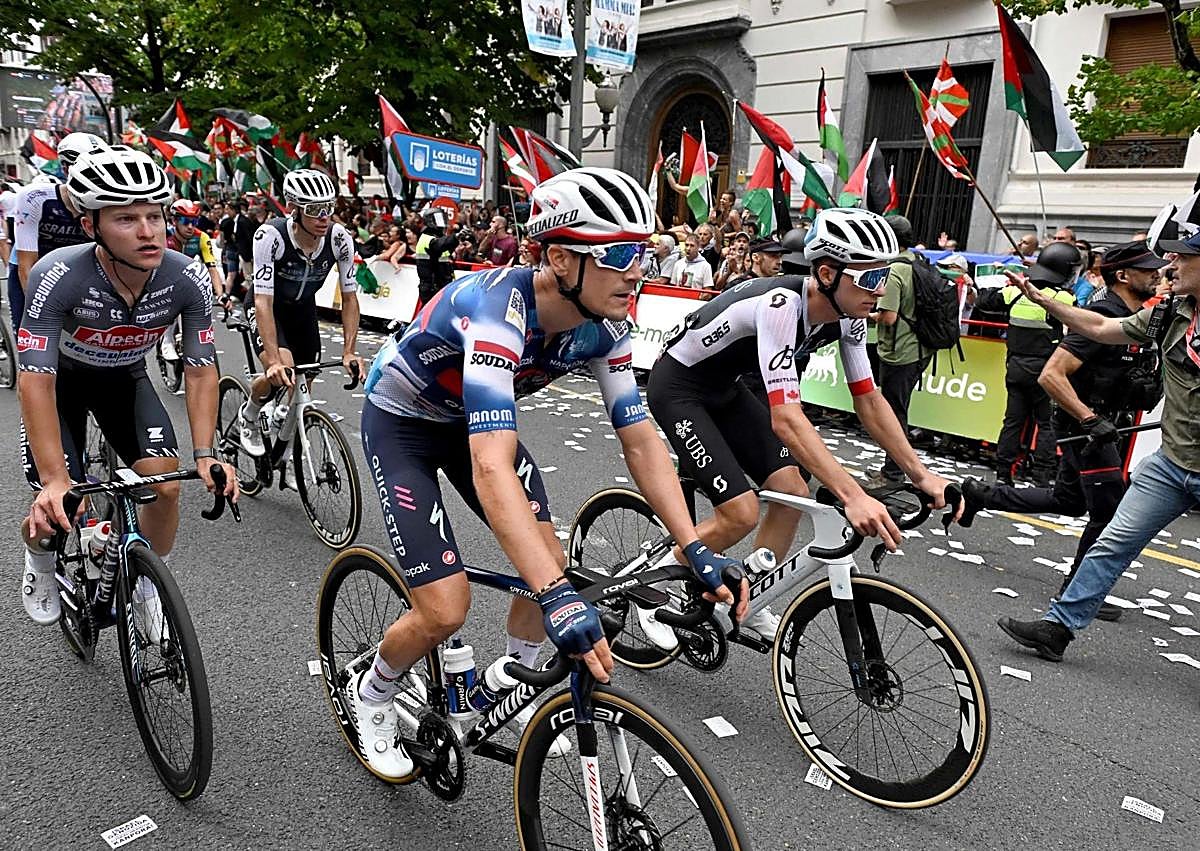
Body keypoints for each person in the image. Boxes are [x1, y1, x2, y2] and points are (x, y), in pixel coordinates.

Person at [350, 167, 747, 778]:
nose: (638, 269)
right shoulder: (496, 311)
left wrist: (693, 547)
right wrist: (559, 599)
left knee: (548, 560)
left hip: (469, 424)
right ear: (561, 259)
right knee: (445, 609)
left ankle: (512, 676)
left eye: (643, 252)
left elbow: (640, 439)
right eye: (619, 255)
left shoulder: (610, 324)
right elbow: (490, 466)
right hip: (403, 422)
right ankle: (373, 690)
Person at [644, 207, 961, 645]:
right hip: (678, 388)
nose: (881, 290)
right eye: (870, 279)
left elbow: (868, 399)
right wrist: (854, 496)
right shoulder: (782, 305)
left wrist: (922, 475)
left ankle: (750, 599)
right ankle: (650, 590)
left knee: (793, 491)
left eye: (885, 276)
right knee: (740, 512)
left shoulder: (848, 315)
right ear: (828, 273)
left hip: (725, 389)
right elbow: (787, 419)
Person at [17, 146, 237, 629]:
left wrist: (207, 452)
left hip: (124, 380)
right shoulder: (58, 276)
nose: (147, 232)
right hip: (63, 386)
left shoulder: (187, 278)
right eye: (126, 219)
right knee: (61, 506)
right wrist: (55, 479)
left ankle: (141, 583)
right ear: (91, 226)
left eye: (155, 217)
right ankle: (41, 561)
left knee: (166, 488)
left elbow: (201, 369)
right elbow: (34, 378)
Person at [995, 229, 1200, 665]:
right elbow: (1102, 327)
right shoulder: (1169, 315)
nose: (1170, 267)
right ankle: (1058, 629)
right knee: (1111, 542)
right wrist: (1046, 300)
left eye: (1182, 259)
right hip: (1171, 464)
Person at [962, 241, 1166, 623]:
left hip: (1106, 425)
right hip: (1086, 428)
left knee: (1068, 501)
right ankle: (1078, 590)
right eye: (1147, 268)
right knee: (1108, 511)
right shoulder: (1103, 315)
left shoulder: (1133, 316)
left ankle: (981, 494)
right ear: (1123, 276)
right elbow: (1051, 375)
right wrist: (1090, 420)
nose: (1157, 273)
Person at [235, 170, 365, 484]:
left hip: (302, 308)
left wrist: (349, 351)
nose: (324, 217)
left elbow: (349, 299)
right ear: (295, 208)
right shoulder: (271, 236)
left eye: (329, 208)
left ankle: (289, 451)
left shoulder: (338, 238)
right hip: (268, 305)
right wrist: (274, 359)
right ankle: (249, 414)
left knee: (308, 378)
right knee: (284, 369)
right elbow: (264, 302)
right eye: (314, 210)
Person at [976, 242, 1080, 486]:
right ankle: (1042, 477)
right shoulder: (1063, 297)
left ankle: (1003, 474)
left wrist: (1022, 279)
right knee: (1046, 424)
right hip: (1047, 372)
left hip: (1015, 368)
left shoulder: (1016, 292)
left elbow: (985, 300)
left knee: (1012, 421)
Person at [9, 132, 107, 329]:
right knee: (31, 335)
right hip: (34, 266)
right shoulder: (34, 197)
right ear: (65, 167)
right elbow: (26, 266)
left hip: (76, 269)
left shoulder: (104, 204)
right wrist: (41, 315)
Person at [868, 215, 927, 483]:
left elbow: (888, 317)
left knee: (893, 414)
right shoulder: (918, 263)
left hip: (899, 351)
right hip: (919, 349)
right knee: (898, 409)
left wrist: (865, 314)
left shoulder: (893, 272)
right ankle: (892, 469)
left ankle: (893, 472)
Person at [413, 207, 458, 304]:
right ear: (430, 221)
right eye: (438, 219)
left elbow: (444, 251)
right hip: (432, 288)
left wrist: (458, 242)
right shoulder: (427, 238)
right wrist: (455, 237)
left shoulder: (437, 237)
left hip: (441, 285)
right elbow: (439, 246)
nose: (441, 222)